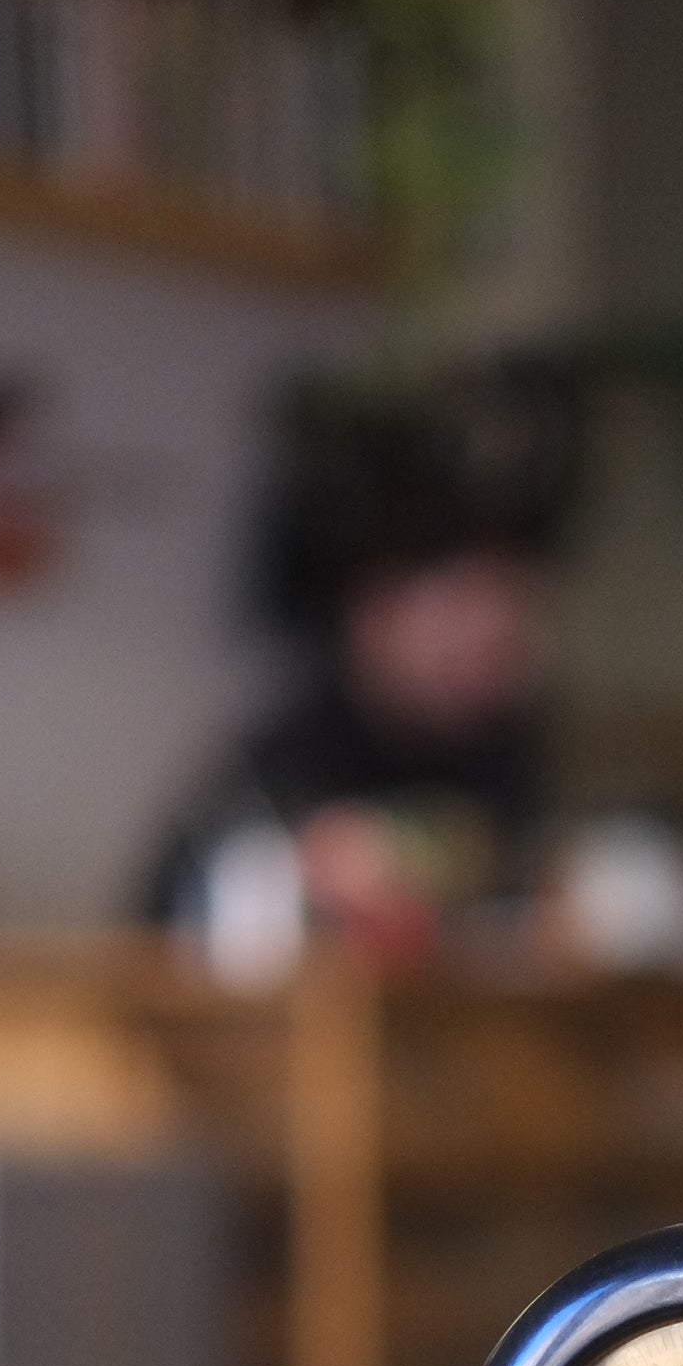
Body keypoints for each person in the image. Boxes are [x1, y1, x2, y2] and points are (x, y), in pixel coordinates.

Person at [146, 358, 576, 973]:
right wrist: (306, 876)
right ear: (369, 612)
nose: (497, 628)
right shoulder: (275, 776)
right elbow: (169, 947)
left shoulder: (515, 759)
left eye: (513, 593)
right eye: (460, 595)